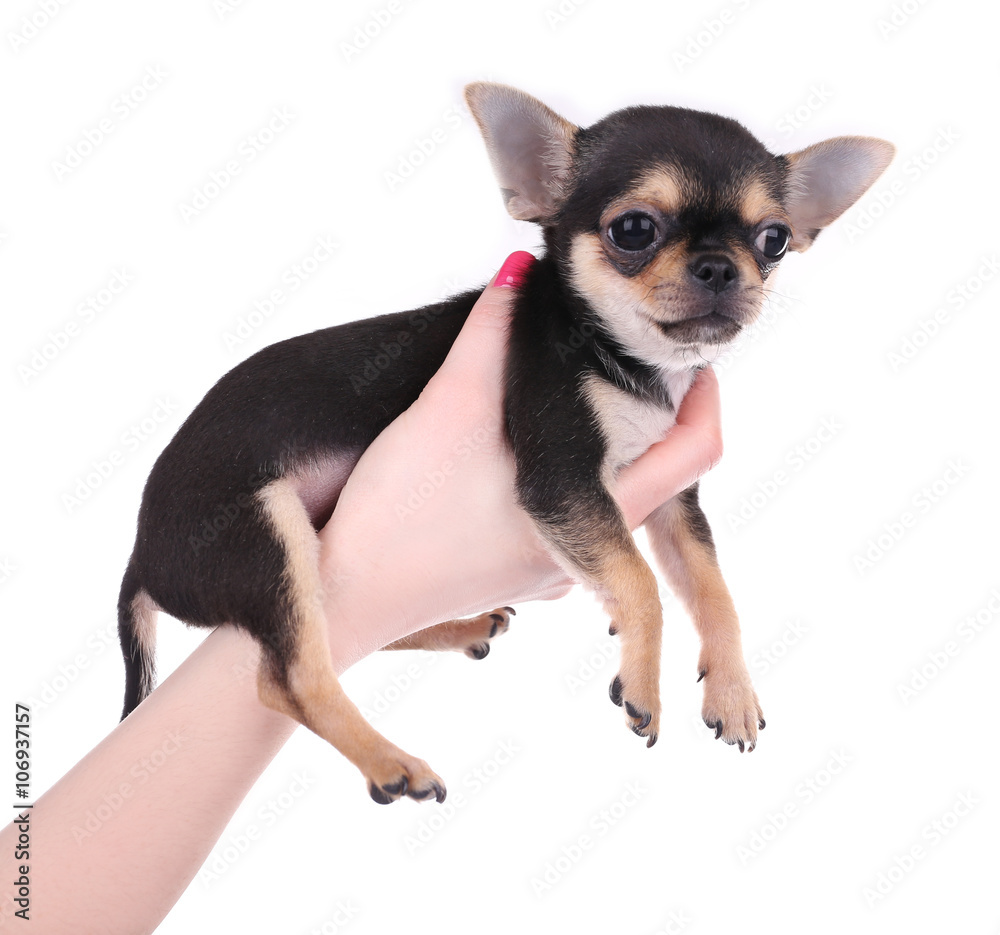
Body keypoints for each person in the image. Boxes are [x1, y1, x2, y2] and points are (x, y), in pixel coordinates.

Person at [0, 252, 724, 933]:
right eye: (635, 234)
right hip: (216, 505)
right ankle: (316, 695)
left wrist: (726, 645)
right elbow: (555, 489)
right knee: (298, 605)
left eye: (771, 241)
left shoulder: (621, 368)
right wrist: (641, 617)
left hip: (262, 517)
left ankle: (379, 631)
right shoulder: (559, 351)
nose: (716, 271)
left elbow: (661, 502)